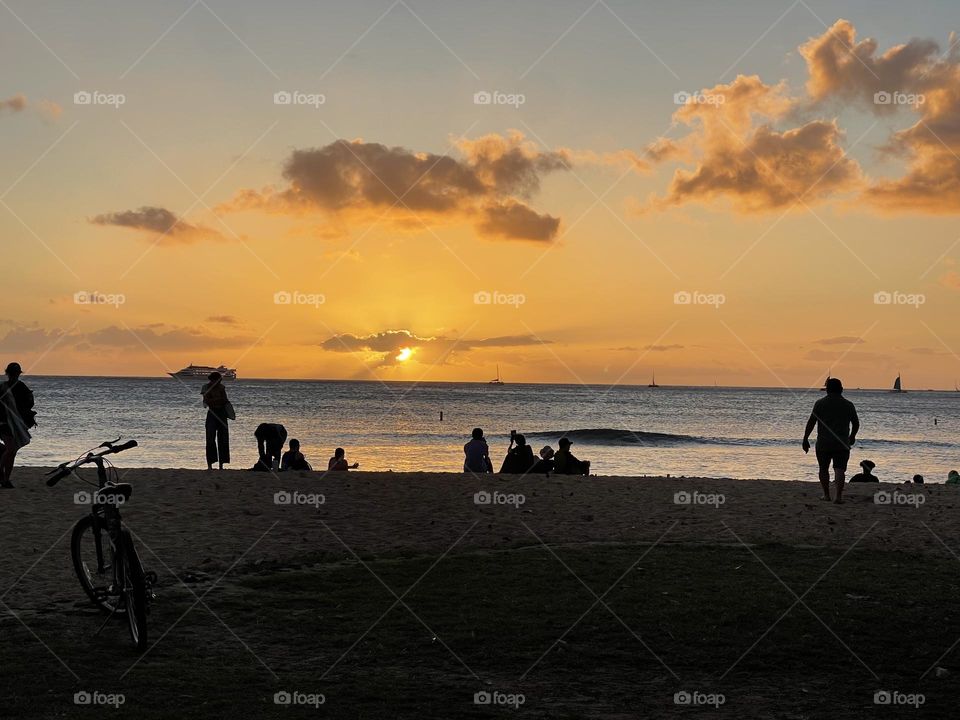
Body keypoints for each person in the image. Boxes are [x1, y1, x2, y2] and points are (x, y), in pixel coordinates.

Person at [802, 377, 859, 504]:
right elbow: (856, 423)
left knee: (823, 468)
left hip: (824, 443)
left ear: (827, 390)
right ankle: (838, 496)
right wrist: (852, 435)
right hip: (842, 442)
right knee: (839, 469)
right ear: (841, 390)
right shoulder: (848, 405)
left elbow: (811, 422)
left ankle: (826, 495)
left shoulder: (819, 404)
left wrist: (805, 438)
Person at [0, 362, 35, 488]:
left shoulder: (21, 387)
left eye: (16, 374)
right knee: (10, 449)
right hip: (3, 423)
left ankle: (6, 479)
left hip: (16, 423)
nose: (15, 376)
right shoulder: (3, 387)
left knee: (12, 451)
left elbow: (29, 403)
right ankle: (2, 476)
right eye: (13, 374)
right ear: (8, 374)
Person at [201, 372, 231, 470]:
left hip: (222, 413)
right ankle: (210, 464)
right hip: (212, 413)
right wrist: (218, 400)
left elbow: (225, 400)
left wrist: (215, 400)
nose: (219, 382)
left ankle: (221, 465)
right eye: (218, 380)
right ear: (212, 380)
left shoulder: (222, 387)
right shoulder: (205, 387)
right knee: (210, 439)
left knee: (223, 439)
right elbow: (206, 401)